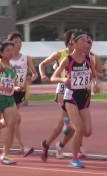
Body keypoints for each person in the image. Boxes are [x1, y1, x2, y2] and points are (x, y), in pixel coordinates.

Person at [51, 31, 95, 168]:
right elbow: (54, 77)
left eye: (86, 41)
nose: (85, 43)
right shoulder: (68, 60)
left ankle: (68, 127)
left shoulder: (89, 59)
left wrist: (95, 84)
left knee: (87, 131)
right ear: (74, 43)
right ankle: (75, 159)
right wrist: (64, 79)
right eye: (81, 41)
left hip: (84, 97)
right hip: (71, 97)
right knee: (80, 128)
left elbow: (94, 75)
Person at [38, 29, 76, 161]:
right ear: (70, 41)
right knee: (68, 122)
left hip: (77, 91)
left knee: (73, 126)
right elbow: (42, 64)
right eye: (75, 38)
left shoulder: (84, 55)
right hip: (62, 88)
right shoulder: (60, 54)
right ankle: (66, 124)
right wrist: (43, 75)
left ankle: (56, 145)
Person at [8, 32, 38, 156]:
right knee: (16, 120)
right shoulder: (5, 59)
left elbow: (35, 74)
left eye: (20, 42)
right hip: (8, 92)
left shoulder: (26, 58)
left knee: (12, 121)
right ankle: (22, 147)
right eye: (15, 42)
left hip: (21, 93)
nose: (18, 44)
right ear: (10, 44)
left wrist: (28, 80)